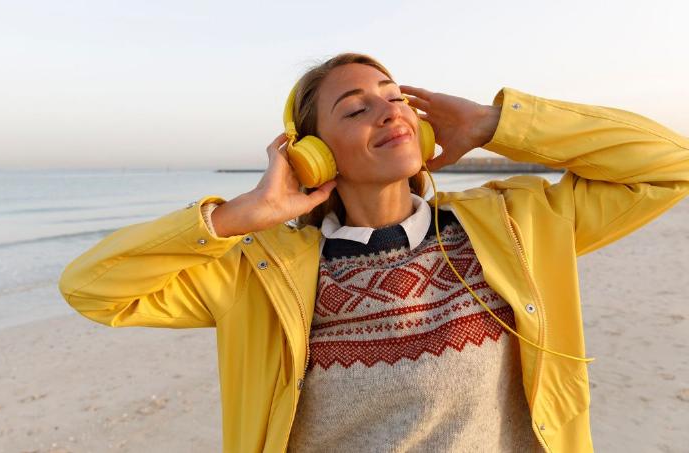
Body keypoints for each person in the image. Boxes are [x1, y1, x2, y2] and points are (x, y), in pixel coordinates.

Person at [58, 52, 689, 452]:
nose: (390, 113)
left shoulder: (518, 221)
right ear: (315, 152)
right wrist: (237, 216)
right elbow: (93, 288)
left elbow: (669, 167)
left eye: (395, 97)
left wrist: (498, 124)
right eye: (356, 108)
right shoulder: (256, 272)